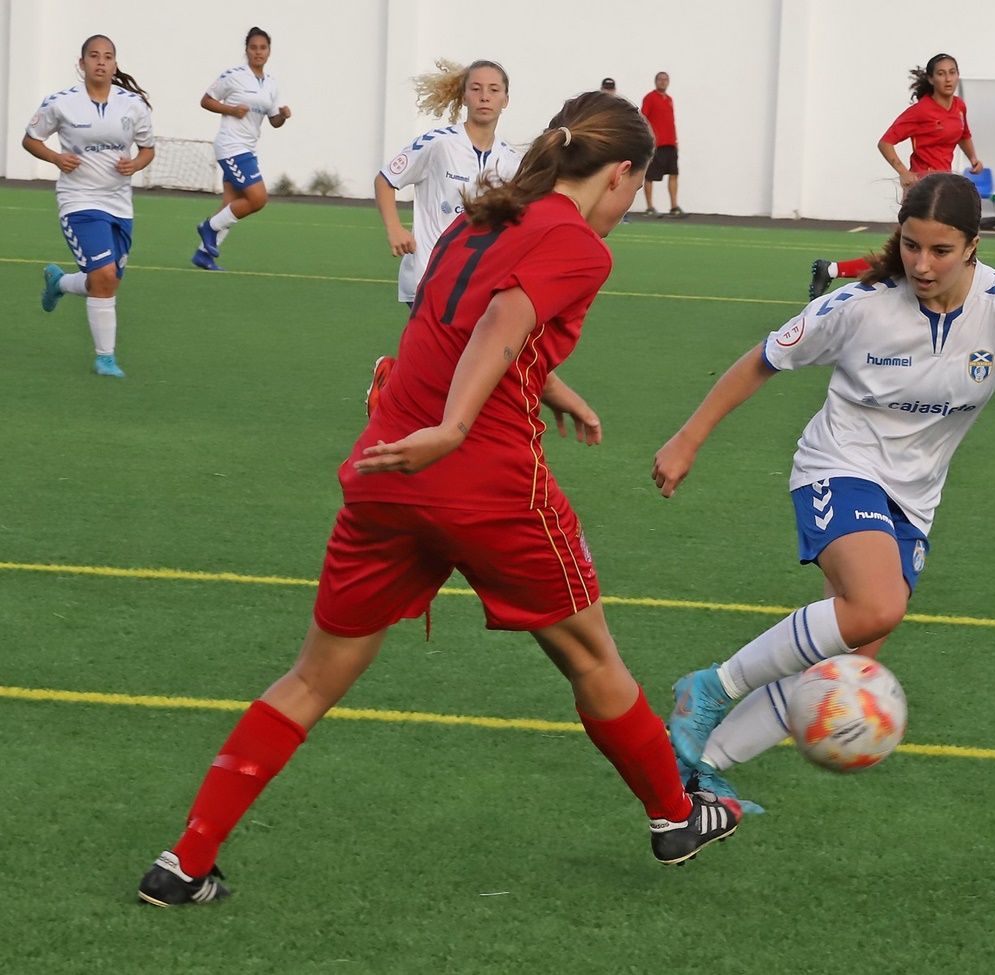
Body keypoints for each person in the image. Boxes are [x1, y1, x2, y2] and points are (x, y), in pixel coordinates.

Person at [136, 91, 742, 908]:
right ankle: (675, 816)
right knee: (591, 655)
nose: (631, 203)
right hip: (484, 480)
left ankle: (184, 860)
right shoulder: (579, 244)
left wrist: (549, 385)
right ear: (623, 172)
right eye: (636, 187)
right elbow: (500, 320)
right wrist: (458, 425)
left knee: (311, 677)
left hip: (387, 466)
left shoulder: (482, 215)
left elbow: (452, 319)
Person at [652, 172, 995, 810]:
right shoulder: (859, 305)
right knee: (878, 607)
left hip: (914, 500)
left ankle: (699, 769)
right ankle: (710, 687)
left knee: (845, 655)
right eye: (911, 246)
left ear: (972, 245)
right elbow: (762, 360)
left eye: (939, 250)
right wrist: (688, 439)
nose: (921, 264)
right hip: (838, 464)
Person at [368, 58, 522, 417]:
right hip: (428, 273)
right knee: (450, 359)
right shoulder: (439, 144)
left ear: (505, 100)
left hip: (478, 280)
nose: (485, 96)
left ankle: (392, 383)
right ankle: (399, 398)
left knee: (453, 360)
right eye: (476, 88)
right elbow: (385, 180)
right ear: (464, 96)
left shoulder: (512, 162)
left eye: (494, 90)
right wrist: (394, 228)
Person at [23, 34, 155, 378]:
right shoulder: (61, 103)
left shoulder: (133, 105)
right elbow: (31, 139)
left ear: (114, 64)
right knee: (104, 275)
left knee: (105, 282)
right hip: (79, 201)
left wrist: (136, 165)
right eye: (93, 56)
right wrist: (55, 157)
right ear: (81, 64)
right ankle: (105, 358)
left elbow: (147, 149)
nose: (101, 62)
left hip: (119, 205)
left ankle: (59, 284)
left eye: (108, 56)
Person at [809, 53, 984, 300]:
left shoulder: (959, 107)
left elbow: (963, 134)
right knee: (908, 253)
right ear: (931, 79)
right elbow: (886, 142)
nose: (948, 78)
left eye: (952, 72)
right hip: (923, 191)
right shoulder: (921, 111)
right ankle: (846, 287)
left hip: (945, 190)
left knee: (923, 251)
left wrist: (974, 158)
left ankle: (833, 269)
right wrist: (904, 172)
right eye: (941, 73)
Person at [192, 27, 291, 271]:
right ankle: (209, 227)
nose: (258, 52)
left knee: (231, 202)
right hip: (231, 146)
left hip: (248, 147)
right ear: (246, 50)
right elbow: (206, 100)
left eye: (263, 48)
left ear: (269, 52)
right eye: (253, 47)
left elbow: (274, 120)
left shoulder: (271, 84)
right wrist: (231, 110)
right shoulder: (234, 76)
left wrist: (284, 116)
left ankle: (204, 255)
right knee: (257, 198)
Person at [640, 71, 684, 217]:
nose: (663, 82)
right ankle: (650, 207)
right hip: (656, 145)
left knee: (674, 174)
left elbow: (671, 122)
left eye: (666, 79)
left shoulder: (669, 99)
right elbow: (643, 118)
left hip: (670, 144)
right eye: (660, 79)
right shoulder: (650, 98)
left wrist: (675, 140)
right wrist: (649, 139)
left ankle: (674, 206)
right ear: (655, 81)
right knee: (650, 176)